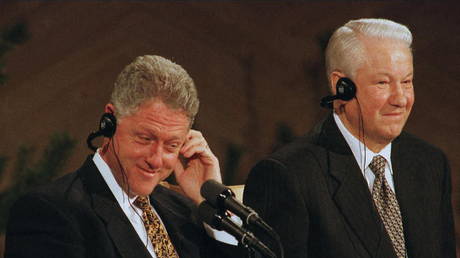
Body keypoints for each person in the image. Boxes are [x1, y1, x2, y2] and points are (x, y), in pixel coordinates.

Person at [243, 18, 456, 258]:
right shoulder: (288, 175)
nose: (401, 99)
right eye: (383, 83)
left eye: (406, 82)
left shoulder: (430, 163)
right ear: (341, 85)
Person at [5, 55, 239, 257]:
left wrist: (214, 202)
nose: (156, 160)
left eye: (171, 145)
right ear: (110, 121)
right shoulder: (50, 213)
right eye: (145, 139)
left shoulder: (186, 210)